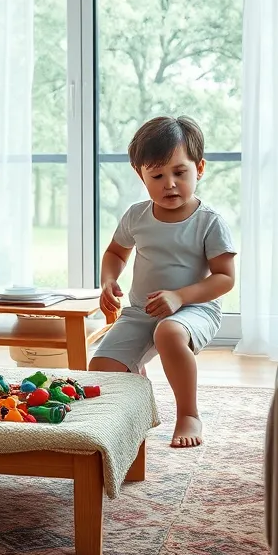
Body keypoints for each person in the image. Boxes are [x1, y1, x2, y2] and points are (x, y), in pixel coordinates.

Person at [89, 115, 236, 449]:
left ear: (199, 169)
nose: (169, 183)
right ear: (141, 175)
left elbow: (225, 279)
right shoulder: (136, 216)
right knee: (101, 367)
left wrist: (180, 297)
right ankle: (137, 398)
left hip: (194, 310)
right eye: (157, 174)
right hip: (142, 311)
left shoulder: (209, 222)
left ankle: (188, 413)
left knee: (168, 331)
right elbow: (115, 252)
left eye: (180, 172)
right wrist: (108, 281)